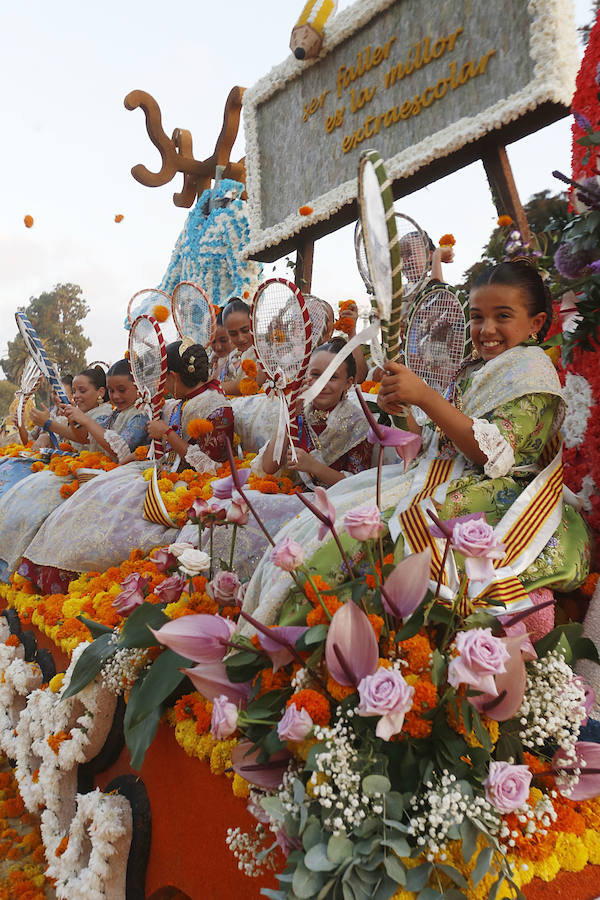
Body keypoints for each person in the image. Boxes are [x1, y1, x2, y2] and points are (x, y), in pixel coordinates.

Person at [240, 259, 590, 627]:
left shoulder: (532, 370)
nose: (487, 329)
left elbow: (490, 454)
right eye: (476, 317)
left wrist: (424, 397)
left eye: (503, 316)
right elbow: (432, 440)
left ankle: (337, 632)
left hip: (494, 493)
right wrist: (402, 408)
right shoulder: (477, 367)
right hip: (439, 476)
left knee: (381, 541)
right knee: (334, 523)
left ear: (536, 322)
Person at [20, 343, 233, 583]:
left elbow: (213, 467)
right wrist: (140, 454)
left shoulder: (215, 405)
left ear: (172, 377)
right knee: (94, 497)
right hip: (157, 472)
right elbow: (157, 451)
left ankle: (85, 575)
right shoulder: (178, 403)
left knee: (110, 505)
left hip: (191, 485)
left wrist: (167, 435)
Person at [0, 367, 111, 580]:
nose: (76, 396)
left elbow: (84, 439)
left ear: (100, 392)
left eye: (81, 391)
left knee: (31, 507)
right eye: (74, 392)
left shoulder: (103, 414)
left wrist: (51, 423)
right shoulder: (79, 413)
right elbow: (38, 441)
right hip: (67, 466)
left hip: (90, 473)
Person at [258, 337, 372, 488]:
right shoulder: (299, 411)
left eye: (332, 377)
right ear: (305, 376)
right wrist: (290, 415)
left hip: (336, 502)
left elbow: (359, 485)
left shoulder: (357, 423)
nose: (322, 384)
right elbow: (268, 467)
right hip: (295, 495)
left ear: (348, 383)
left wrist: (313, 466)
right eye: (316, 375)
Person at [221, 298, 264, 396]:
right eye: (233, 334)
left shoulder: (266, 352)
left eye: (245, 330)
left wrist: (216, 388)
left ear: (255, 322)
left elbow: (252, 384)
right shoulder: (231, 356)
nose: (240, 338)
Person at [210, 310, 233, 383]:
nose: (218, 347)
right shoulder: (213, 362)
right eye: (213, 341)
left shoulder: (244, 360)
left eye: (223, 340)